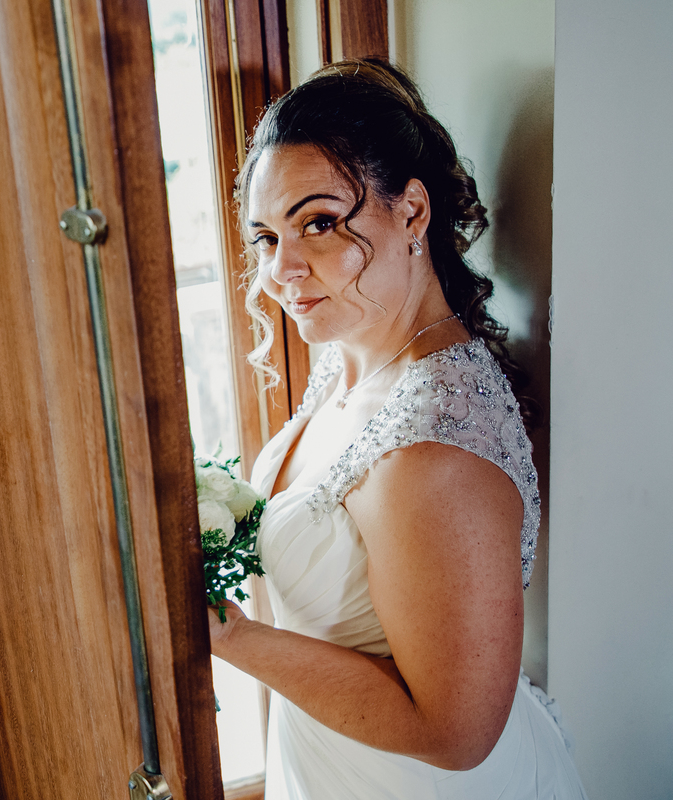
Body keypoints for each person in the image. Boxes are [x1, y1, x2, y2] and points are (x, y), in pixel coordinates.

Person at [207, 60, 587, 799]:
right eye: (266, 237)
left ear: (412, 212)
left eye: (319, 223)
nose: (283, 269)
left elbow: (456, 732)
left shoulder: (433, 447)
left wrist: (231, 637)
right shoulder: (353, 359)